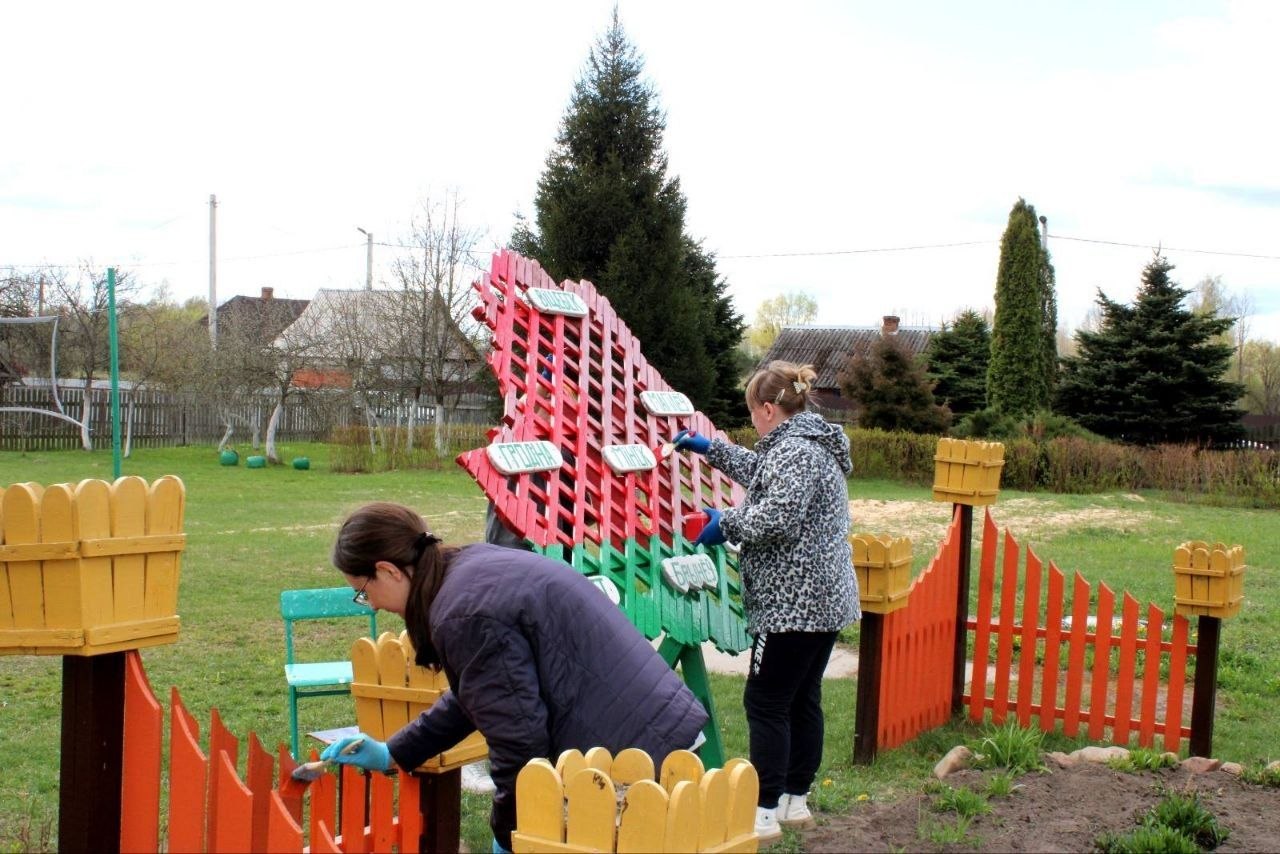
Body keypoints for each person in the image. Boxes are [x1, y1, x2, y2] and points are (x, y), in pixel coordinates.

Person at [320, 501, 708, 854]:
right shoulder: (468, 568)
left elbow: (518, 741)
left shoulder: (462, 613)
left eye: (362, 591)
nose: (369, 604)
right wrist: (396, 750)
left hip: (634, 757)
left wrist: (510, 835)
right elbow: (477, 694)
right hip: (652, 728)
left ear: (387, 570)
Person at [673, 360, 859, 842]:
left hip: (795, 602)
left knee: (766, 701)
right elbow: (764, 472)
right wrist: (711, 450)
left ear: (770, 410)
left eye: (753, 412)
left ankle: (764, 809)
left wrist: (724, 525)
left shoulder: (796, 452)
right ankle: (795, 801)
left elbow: (779, 514)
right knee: (801, 698)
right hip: (825, 598)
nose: (752, 420)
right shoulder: (808, 445)